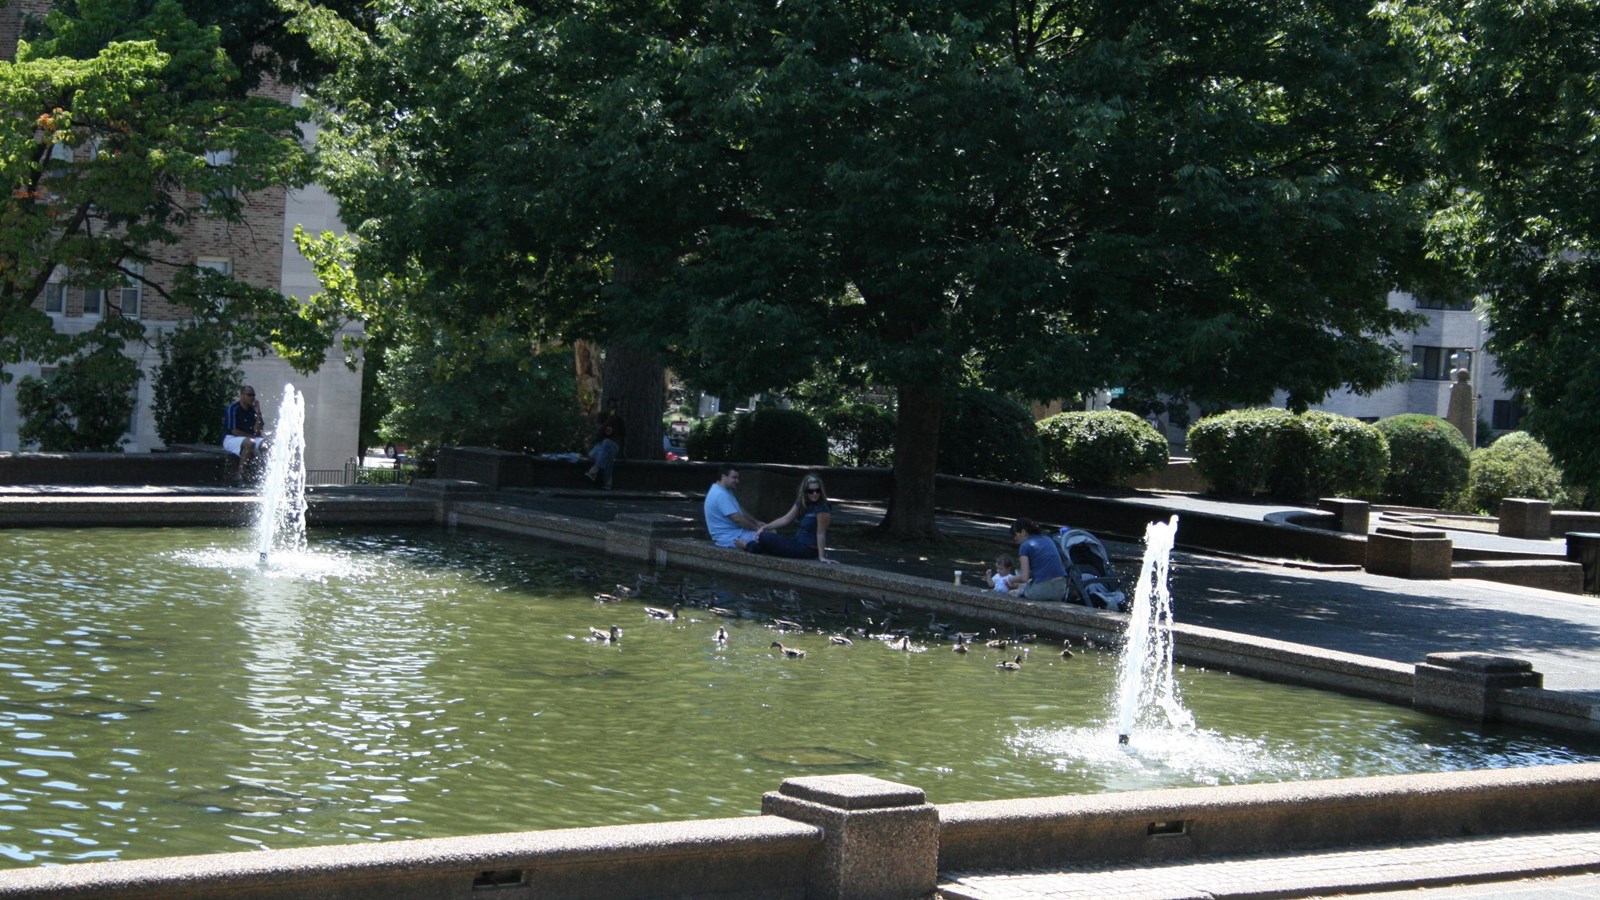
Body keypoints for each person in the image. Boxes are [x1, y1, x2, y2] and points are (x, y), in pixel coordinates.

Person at [746, 474, 837, 562]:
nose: (814, 494)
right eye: (811, 491)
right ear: (805, 491)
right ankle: (747, 546)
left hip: (808, 549)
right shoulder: (802, 503)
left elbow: (821, 533)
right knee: (760, 543)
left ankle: (747, 546)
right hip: (797, 542)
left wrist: (821, 556)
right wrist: (765, 527)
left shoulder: (822, 508)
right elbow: (786, 519)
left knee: (764, 537)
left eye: (817, 490)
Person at [1006, 517, 1069, 601]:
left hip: (1041, 590)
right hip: (1060, 589)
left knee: (1019, 590)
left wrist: (1011, 579)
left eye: (1015, 534)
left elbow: (1024, 578)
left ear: (1023, 532)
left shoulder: (1025, 546)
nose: (1014, 538)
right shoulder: (1048, 539)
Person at [703, 464, 764, 548]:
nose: (737, 481)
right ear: (723, 476)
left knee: (770, 533)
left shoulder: (723, 490)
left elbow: (740, 510)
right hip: (729, 538)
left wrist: (757, 522)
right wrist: (757, 529)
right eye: (734, 478)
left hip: (734, 534)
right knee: (768, 537)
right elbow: (738, 519)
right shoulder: (720, 494)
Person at [222, 385, 266, 467]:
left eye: (253, 395)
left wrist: (258, 413)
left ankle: (263, 472)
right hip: (232, 439)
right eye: (249, 395)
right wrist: (253, 437)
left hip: (250, 438)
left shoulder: (253, 410)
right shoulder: (233, 409)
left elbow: (258, 431)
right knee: (250, 443)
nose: (252, 397)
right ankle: (240, 475)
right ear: (242, 395)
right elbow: (235, 431)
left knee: (266, 444)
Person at [584, 404, 624, 489]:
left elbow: (620, 438)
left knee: (607, 444)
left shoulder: (615, 424)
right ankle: (607, 482)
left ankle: (595, 469)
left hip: (612, 446)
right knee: (608, 457)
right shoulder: (599, 430)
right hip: (603, 449)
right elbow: (594, 443)